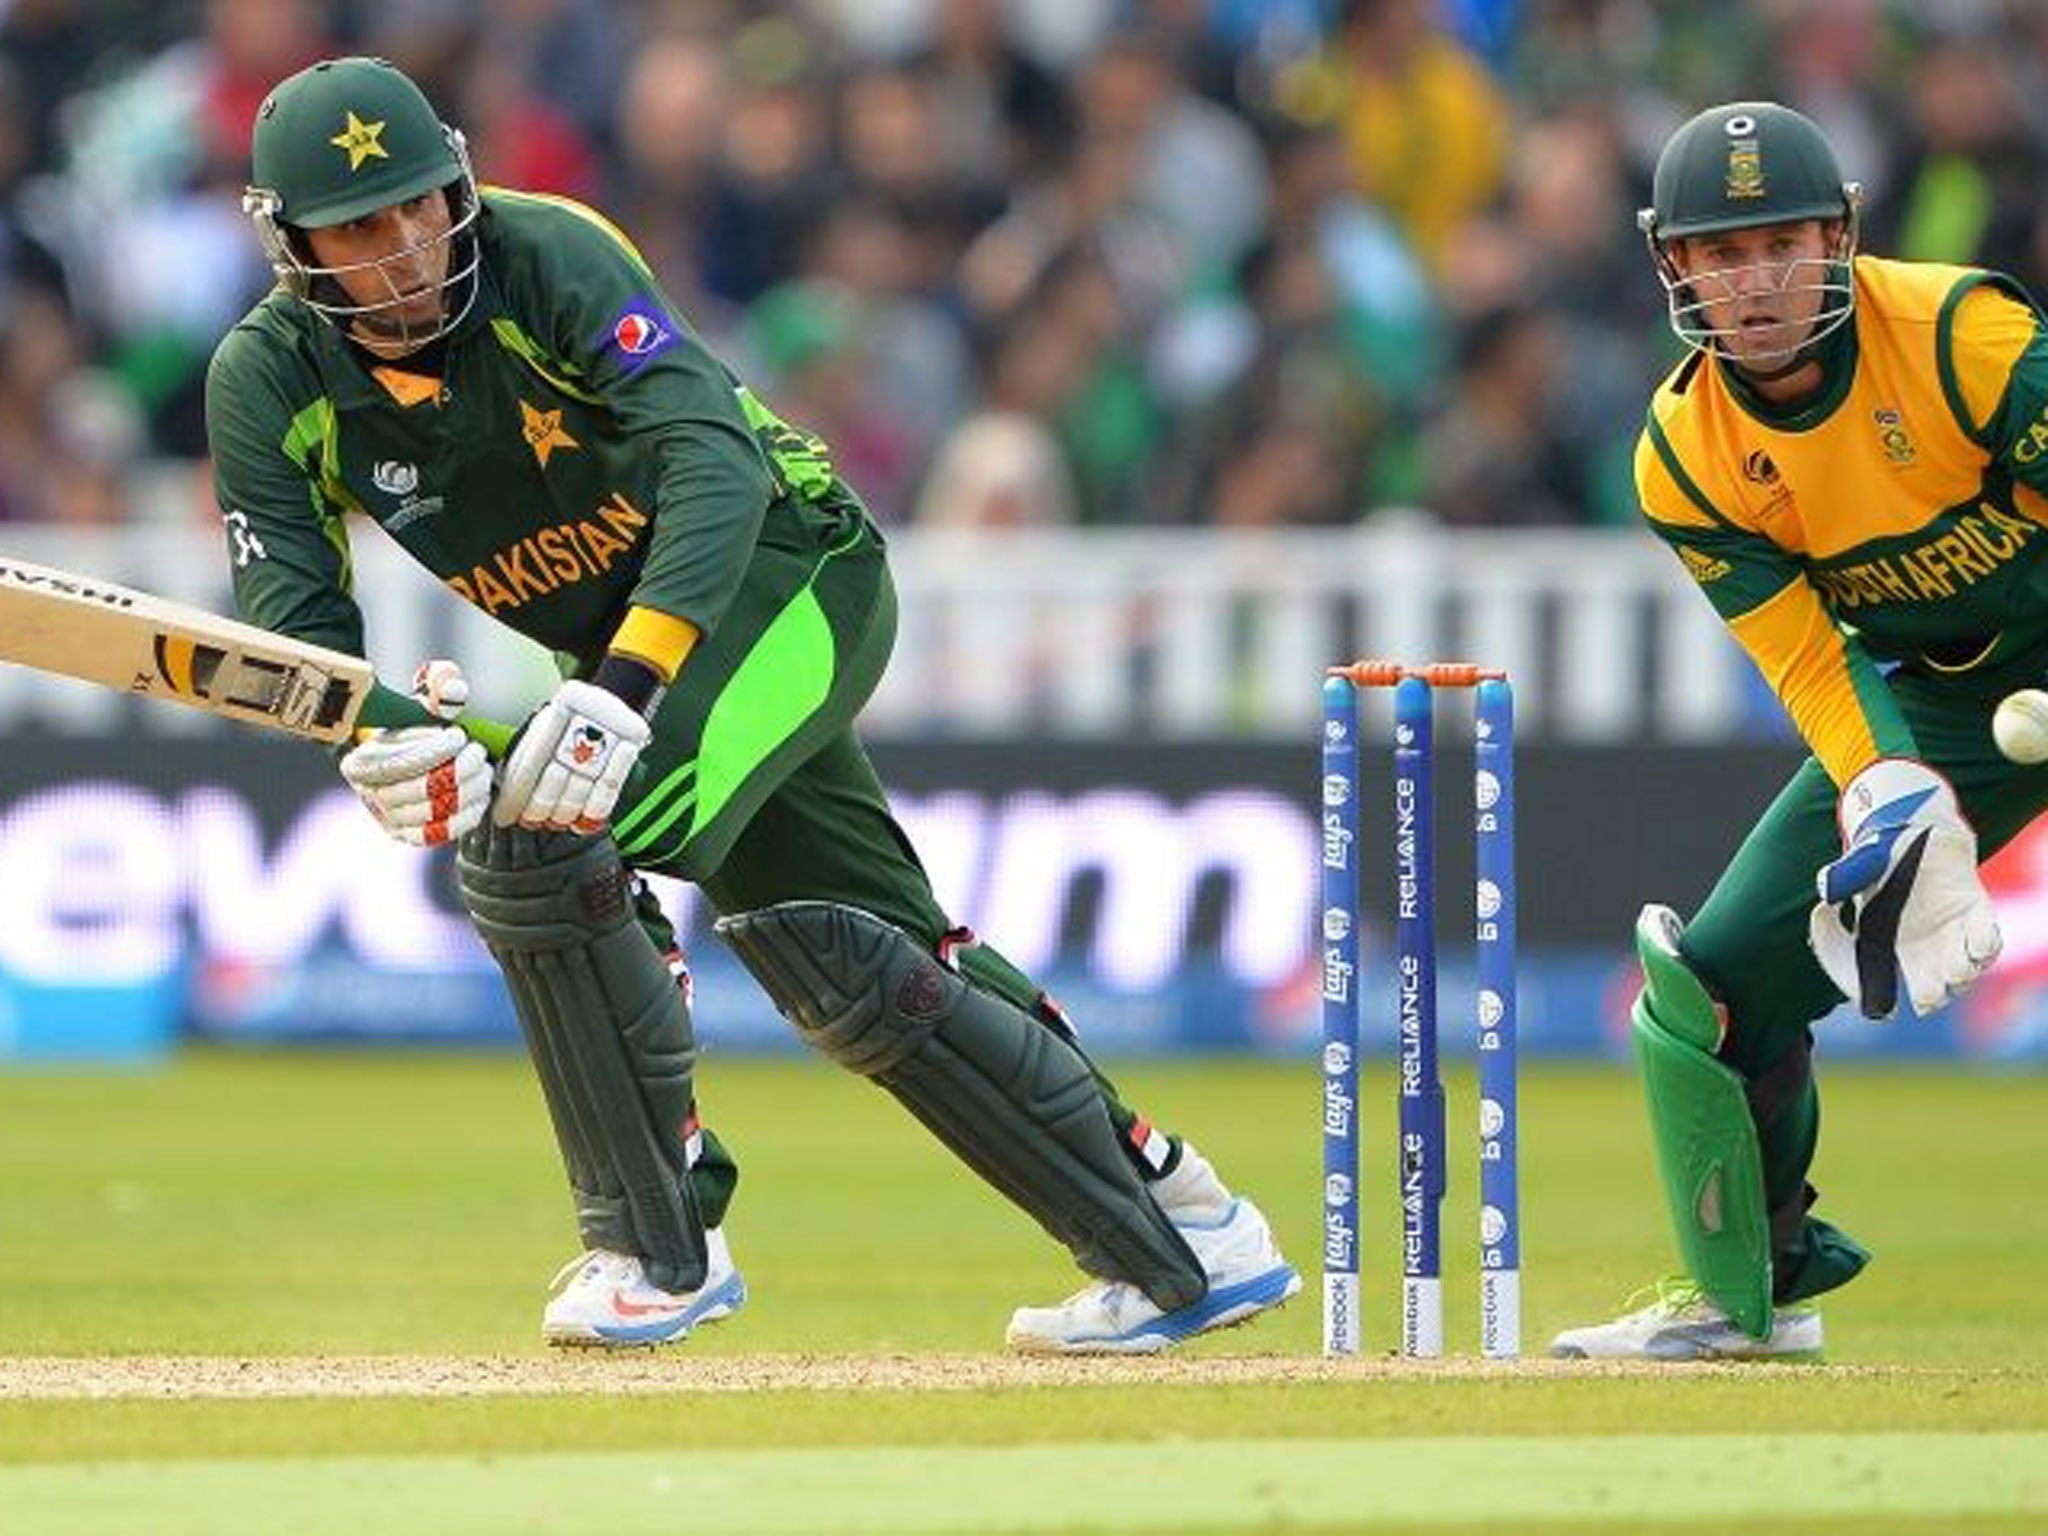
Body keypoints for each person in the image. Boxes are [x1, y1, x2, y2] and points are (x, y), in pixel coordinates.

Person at [206, 56, 1299, 1352]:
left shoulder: (549, 254)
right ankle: (1183, 1235)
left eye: (418, 205)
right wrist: (383, 739)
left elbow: (711, 460)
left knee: (546, 831)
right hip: (639, 653)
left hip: (790, 574)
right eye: (359, 226)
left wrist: (618, 686)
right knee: (855, 949)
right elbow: (298, 637)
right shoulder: (268, 382)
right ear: (290, 242)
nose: (402, 249)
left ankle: (660, 1244)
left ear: (455, 184)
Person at [1550, 100, 2041, 1360]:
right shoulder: (1684, 456)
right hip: (1941, 698)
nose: (1755, 281)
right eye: (1720, 253)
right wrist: (1883, 781)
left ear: (1838, 237)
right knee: (1708, 989)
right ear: (1673, 266)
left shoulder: (1961, 340)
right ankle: (1745, 1297)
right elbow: (1812, 658)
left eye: (1781, 243)